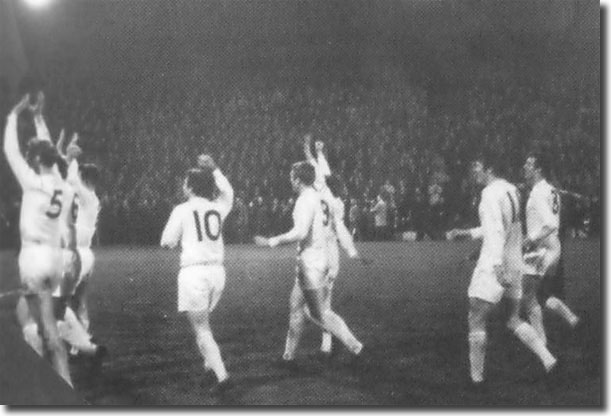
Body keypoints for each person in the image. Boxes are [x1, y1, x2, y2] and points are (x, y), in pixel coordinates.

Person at [446, 154, 560, 390]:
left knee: (476, 315)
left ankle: (476, 380)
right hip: (515, 262)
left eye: (476, 165)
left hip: (493, 263)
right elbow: (505, 226)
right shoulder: (511, 190)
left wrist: (496, 266)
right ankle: (548, 359)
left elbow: (496, 230)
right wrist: (467, 233)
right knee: (512, 318)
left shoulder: (488, 194)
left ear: (488, 168)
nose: (473, 171)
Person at [254, 161, 365, 369]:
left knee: (319, 313)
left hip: (311, 264)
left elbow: (300, 232)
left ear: (298, 179)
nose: (289, 180)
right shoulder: (322, 198)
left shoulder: (305, 200)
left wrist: (271, 241)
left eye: (291, 176)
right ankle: (289, 357)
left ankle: (355, 346)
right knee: (296, 307)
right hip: (319, 259)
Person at [3, 94, 72, 386]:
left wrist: (13, 116)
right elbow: (49, 153)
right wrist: (39, 118)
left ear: (36, 160)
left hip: (34, 258)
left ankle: (58, 386)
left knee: (42, 329)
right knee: (34, 320)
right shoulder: (62, 185)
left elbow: (10, 150)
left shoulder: (33, 182)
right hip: (55, 259)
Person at [160, 154, 233, 395]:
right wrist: (216, 169)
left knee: (201, 329)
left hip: (195, 274)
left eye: (185, 182)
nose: (182, 186)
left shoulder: (182, 209)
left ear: (191, 186)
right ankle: (209, 369)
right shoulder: (217, 208)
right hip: (218, 273)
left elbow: (167, 242)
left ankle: (222, 377)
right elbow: (229, 194)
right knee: (205, 325)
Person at [303, 136, 369, 357]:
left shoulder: (319, 195)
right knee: (324, 304)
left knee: (313, 308)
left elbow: (319, 170)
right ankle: (328, 342)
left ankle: (346, 342)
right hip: (333, 259)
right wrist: (353, 253)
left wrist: (309, 150)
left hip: (320, 256)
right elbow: (323, 169)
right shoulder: (336, 202)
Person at [522, 153, 584, 346]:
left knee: (528, 295)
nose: (525, 166)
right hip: (554, 247)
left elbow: (550, 223)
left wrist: (530, 239)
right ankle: (572, 319)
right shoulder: (551, 190)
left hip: (541, 248)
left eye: (529, 164)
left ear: (538, 169)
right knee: (543, 294)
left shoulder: (538, 193)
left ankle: (541, 342)